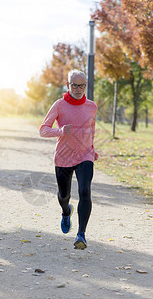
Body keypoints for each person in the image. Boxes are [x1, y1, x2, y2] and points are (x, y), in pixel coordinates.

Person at [39, 69, 98, 250]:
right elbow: (43, 130)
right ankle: (66, 211)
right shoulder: (59, 105)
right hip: (63, 157)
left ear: (85, 86)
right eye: (74, 85)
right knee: (64, 195)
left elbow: (91, 130)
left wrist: (92, 149)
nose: (78, 89)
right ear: (68, 85)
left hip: (85, 155)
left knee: (85, 191)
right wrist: (61, 131)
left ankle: (81, 234)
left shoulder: (92, 106)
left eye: (81, 85)